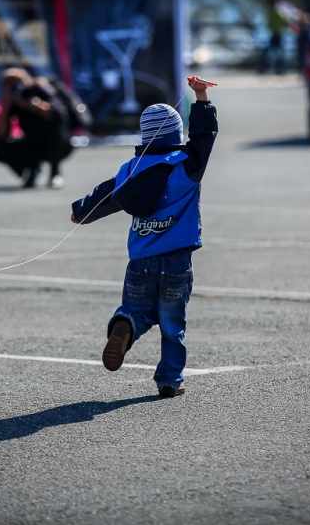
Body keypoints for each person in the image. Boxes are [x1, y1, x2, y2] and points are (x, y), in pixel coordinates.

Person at [69, 76, 217, 398]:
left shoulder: (129, 170)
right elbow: (204, 137)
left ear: (145, 135)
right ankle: (169, 380)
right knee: (172, 323)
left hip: (140, 261)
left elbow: (104, 195)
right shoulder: (185, 166)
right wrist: (201, 97)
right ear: (176, 133)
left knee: (138, 309)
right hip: (177, 259)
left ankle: (127, 323)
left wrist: (81, 212)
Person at [0, 68, 73, 188]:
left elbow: (59, 116)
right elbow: (1, 134)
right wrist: (6, 107)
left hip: (57, 143)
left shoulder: (40, 90)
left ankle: (55, 173)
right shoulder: (13, 100)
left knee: (54, 132)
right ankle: (31, 171)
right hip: (32, 142)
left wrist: (33, 105)